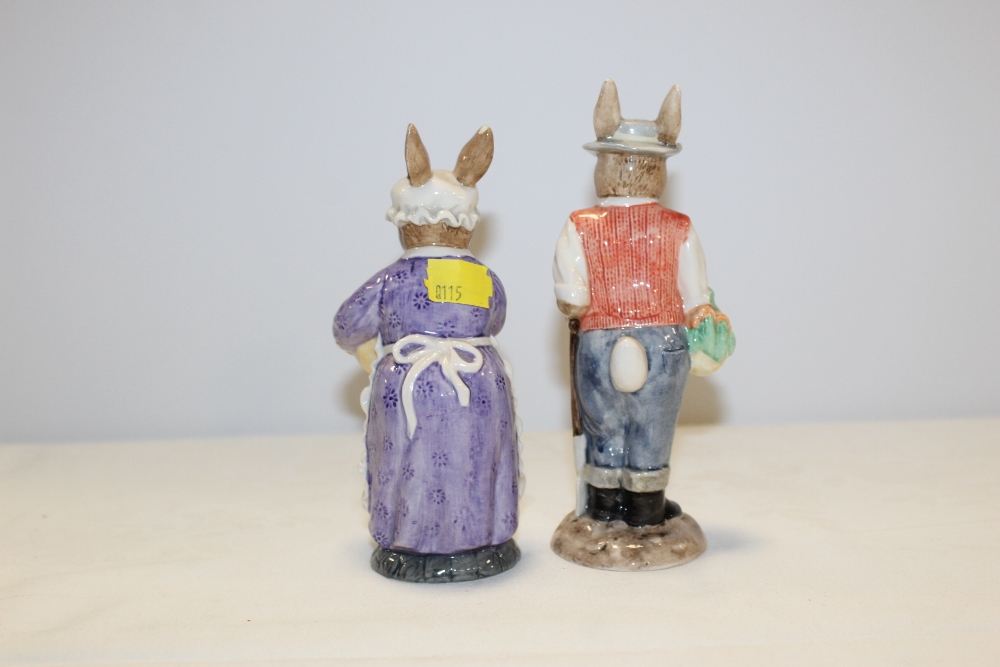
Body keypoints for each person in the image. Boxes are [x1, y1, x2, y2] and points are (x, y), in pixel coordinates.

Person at [334, 124, 520, 583]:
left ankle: (410, 541)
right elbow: (495, 319)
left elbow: (345, 325)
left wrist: (366, 349)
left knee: (410, 462)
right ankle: (481, 537)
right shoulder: (485, 278)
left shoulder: (390, 280)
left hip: (411, 383)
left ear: (406, 223)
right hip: (478, 382)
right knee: (478, 459)